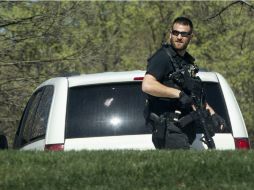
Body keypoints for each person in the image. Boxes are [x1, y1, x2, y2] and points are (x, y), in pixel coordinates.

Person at [142, 16, 224, 149]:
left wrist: (213, 114)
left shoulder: (187, 62)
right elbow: (147, 85)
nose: (179, 37)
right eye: (175, 33)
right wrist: (178, 94)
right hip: (169, 129)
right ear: (170, 34)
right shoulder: (163, 57)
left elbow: (193, 96)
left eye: (183, 34)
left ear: (191, 36)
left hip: (185, 128)